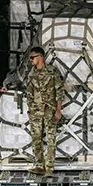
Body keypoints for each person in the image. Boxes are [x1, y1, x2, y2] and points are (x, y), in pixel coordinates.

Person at [25, 46, 64, 176]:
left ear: (40, 57)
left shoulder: (52, 72)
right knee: (36, 138)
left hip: (50, 110)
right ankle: (38, 165)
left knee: (50, 138)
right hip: (35, 111)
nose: (31, 60)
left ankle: (49, 167)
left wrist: (58, 110)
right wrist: (29, 108)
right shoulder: (31, 74)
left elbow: (59, 92)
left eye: (33, 58)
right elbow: (29, 93)